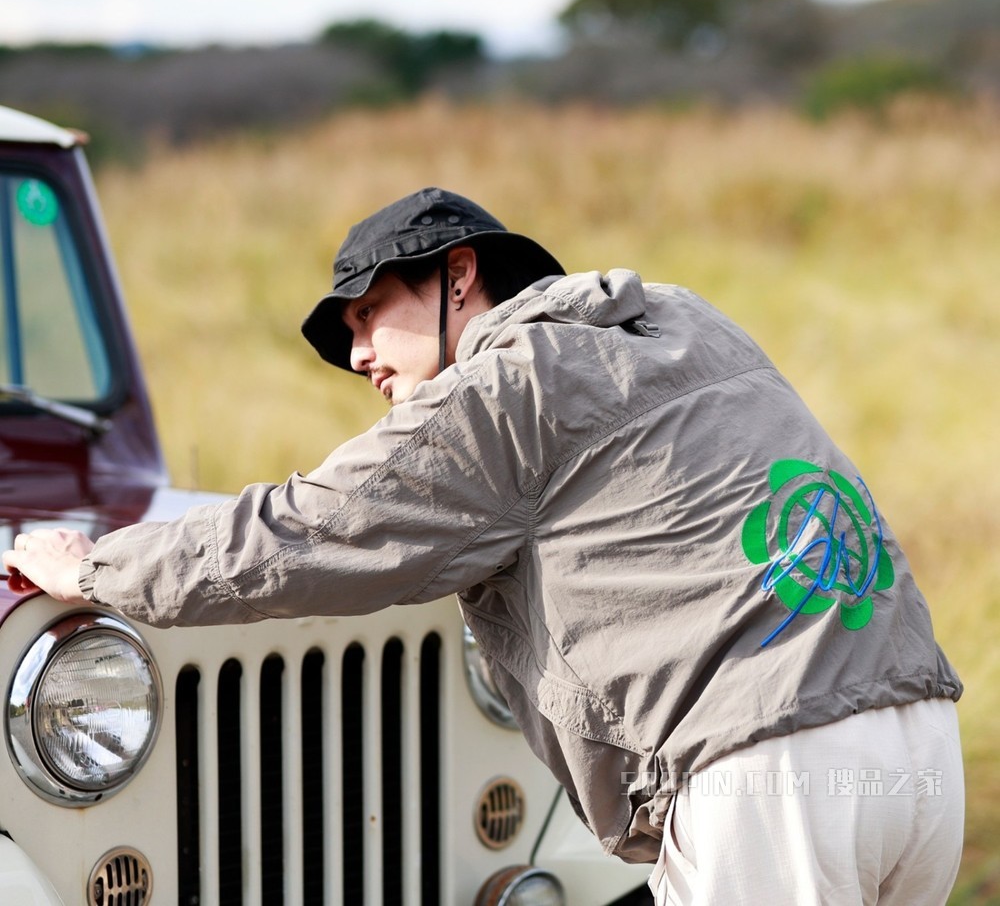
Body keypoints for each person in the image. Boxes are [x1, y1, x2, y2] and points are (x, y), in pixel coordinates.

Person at [3, 187, 964, 904]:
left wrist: (92, 566)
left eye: (368, 314)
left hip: (770, 769)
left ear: (457, 276)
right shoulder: (684, 322)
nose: (360, 356)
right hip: (919, 740)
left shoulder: (508, 385)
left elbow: (309, 530)